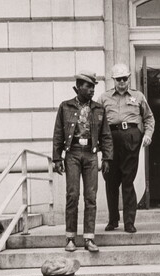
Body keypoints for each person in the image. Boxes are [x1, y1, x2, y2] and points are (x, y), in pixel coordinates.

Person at [53, 70, 113, 253]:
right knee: (72, 195)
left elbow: (106, 136)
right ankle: (70, 238)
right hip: (72, 153)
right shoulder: (65, 107)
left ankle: (89, 238)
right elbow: (58, 134)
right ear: (78, 87)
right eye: (88, 86)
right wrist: (57, 158)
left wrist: (107, 158)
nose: (92, 90)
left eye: (93, 86)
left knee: (91, 197)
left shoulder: (98, 109)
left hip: (91, 154)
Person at [98, 64, 155, 234]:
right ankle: (113, 219)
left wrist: (148, 134)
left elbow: (149, 118)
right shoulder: (104, 98)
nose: (122, 82)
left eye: (124, 78)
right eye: (118, 79)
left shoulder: (138, 96)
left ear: (129, 78)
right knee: (111, 181)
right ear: (113, 80)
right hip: (110, 138)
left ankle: (129, 222)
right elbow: (97, 121)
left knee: (128, 181)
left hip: (131, 138)